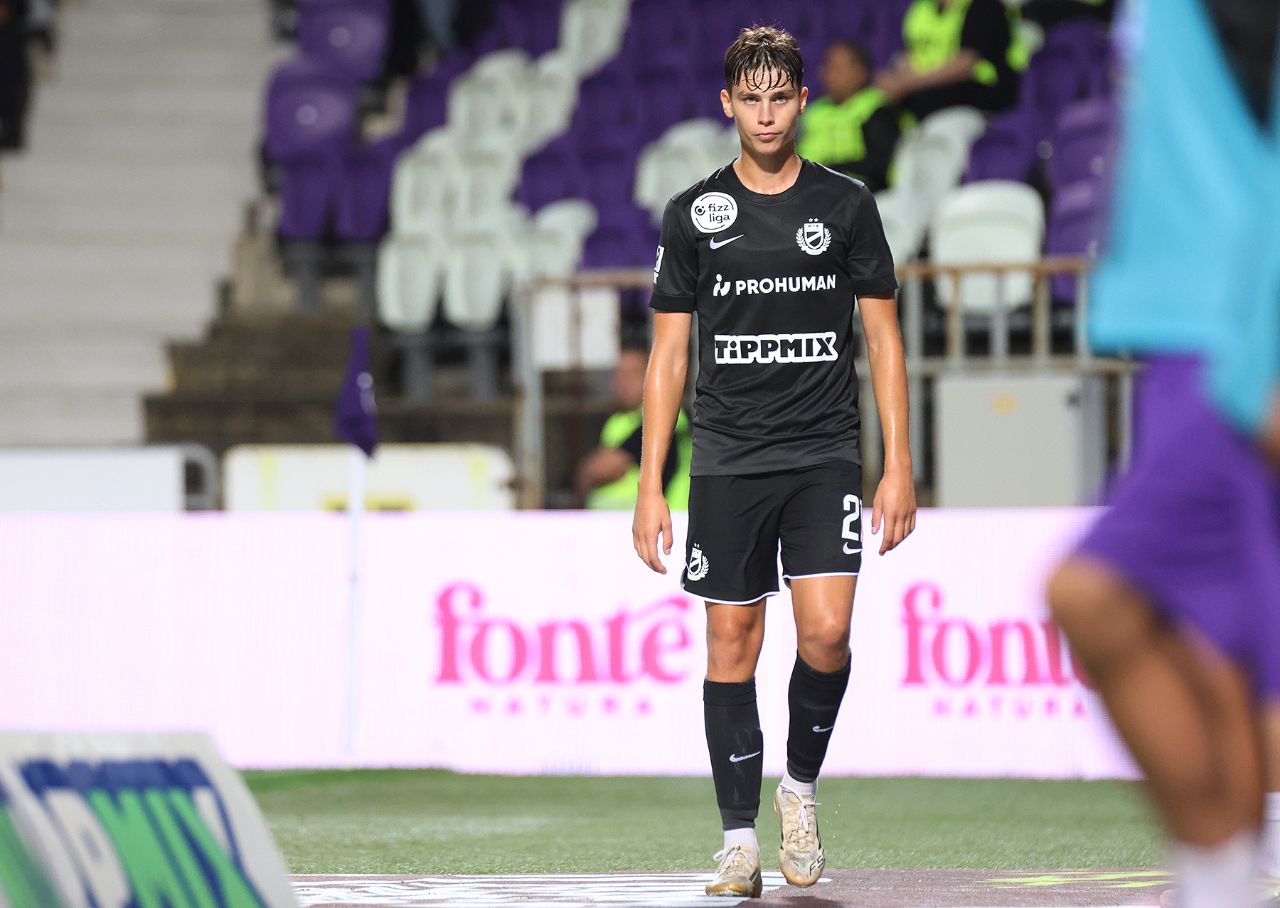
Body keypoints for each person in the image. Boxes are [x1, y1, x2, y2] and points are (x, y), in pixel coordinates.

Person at [632, 25, 916, 898]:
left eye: (779, 97)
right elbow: (668, 356)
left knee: (826, 635)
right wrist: (650, 485)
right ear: (728, 104)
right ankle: (736, 842)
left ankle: (798, 790)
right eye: (749, 99)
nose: (764, 114)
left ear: (801, 102)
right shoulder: (693, 214)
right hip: (727, 456)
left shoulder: (846, 204)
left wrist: (898, 465)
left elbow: (883, 339)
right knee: (732, 640)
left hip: (824, 450)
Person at [1044, 0, 1280, 905]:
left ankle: (1218, 881)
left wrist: (1263, 352)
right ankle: (1221, 880)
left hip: (1232, 332)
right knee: (1220, 645)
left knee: (1094, 595)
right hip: (1185, 331)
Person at [578, 338, 691, 510]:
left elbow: (603, 468)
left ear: (652, 376)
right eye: (618, 374)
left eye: (632, 374)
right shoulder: (618, 420)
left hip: (668, 518)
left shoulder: (665, 415)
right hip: (617, 521)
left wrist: (589, 472)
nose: (623, 382)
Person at [875, 0, 1026, 120]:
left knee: (929, 100)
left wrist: (908, 84)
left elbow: (964, 65)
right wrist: (896, 80)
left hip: (980, 92)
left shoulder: (983, 6)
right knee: (879, 104)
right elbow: (910, 53)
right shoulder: (921, 8)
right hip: (930, 88)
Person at [796, 40, 902, 193]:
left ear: (862, 72)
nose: (830, 74)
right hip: (810, 190)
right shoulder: (812, 112)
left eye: (838, 68)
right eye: (828, 66)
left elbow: (881, 165)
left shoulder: (876, 108)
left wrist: (833, 170)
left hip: (859, 191)